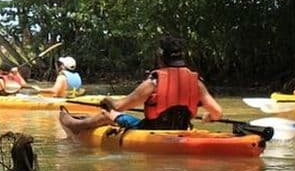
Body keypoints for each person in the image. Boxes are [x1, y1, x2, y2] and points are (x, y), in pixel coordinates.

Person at [59, 36, 223, 132]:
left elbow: (119, 106)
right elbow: (217, 113)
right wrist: (208, 117)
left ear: (161, 57)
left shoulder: (153, 82)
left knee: (107, 113)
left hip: (150, 132)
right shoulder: (197, 83)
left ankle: (76, 126)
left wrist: (107, 102)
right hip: (182, 131)